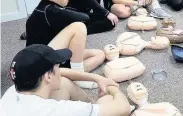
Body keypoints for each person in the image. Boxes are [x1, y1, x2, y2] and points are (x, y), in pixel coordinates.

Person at [0, 44, 131, 116]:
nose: (60, 69)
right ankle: (93, 108)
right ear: (48, 76)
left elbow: (61, 74)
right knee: (108, 101)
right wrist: (113, 89)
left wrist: (97, 78)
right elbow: (123, 108)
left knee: (63, 82)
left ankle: (91, 106)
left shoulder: (12, 91)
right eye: (57, 66)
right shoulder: (58, 110)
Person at [26, 0, 106, 89]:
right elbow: (85, 18)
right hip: (41, 65)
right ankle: (78, 76)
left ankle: (67, 74)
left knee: (100, 54)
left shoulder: (43, 7)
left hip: (45, 56)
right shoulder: (52, 11)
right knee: (79, 27)